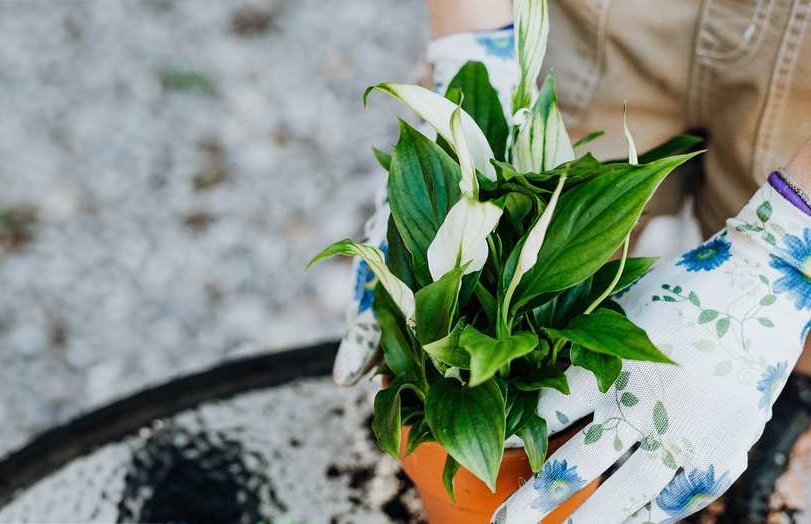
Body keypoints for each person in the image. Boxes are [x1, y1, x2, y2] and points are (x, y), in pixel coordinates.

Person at [335, 1, 811, 522]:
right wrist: (473, 55)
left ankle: (784, 406)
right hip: (603, 22)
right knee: (573, 257)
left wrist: (784, 245)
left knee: (781, 323)